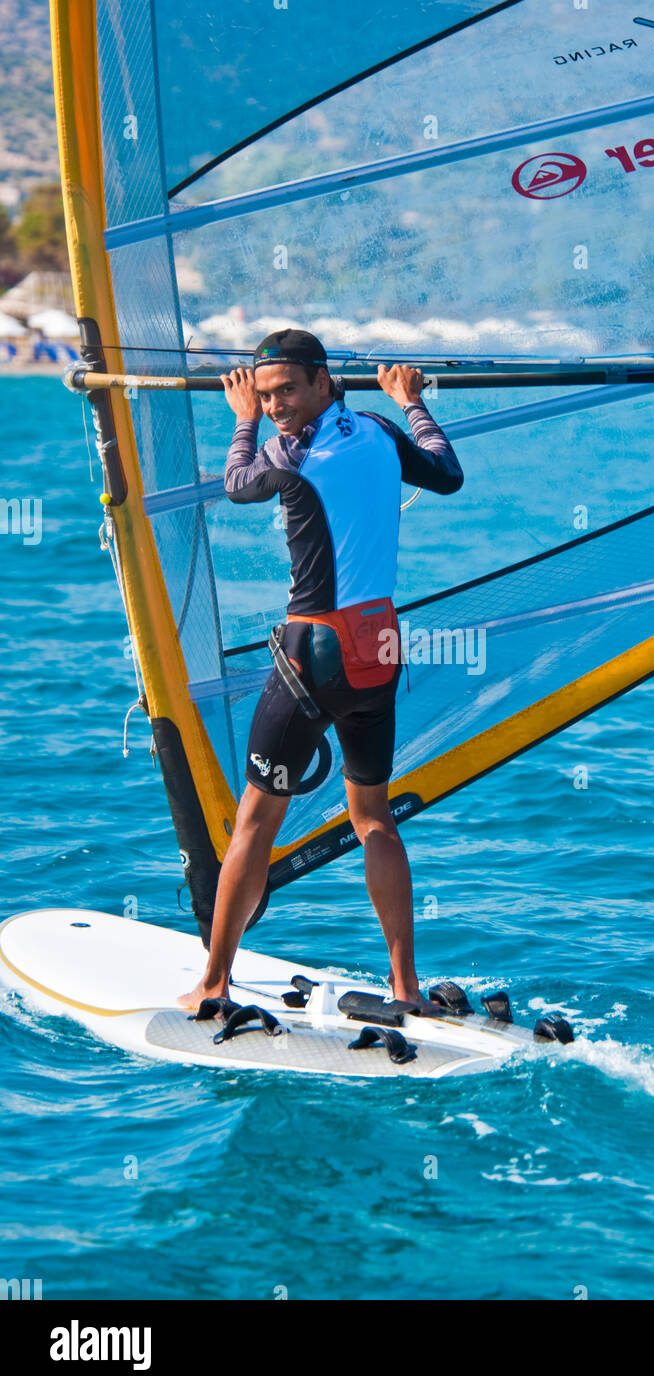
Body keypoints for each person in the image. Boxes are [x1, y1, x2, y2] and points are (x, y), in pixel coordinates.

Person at [178, 329, 463, 1017]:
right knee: (374, 819)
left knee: (252, 825)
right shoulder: (377, 430)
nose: (276, 405)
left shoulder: (294, 456)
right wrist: (411, 401)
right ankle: (406, 987)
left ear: (321, 381)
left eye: (285, 392)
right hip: (380, 646)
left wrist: (241, 420)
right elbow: (445, 473)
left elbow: (239, 484)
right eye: (266, 394)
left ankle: (213, 985)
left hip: (316, 651)